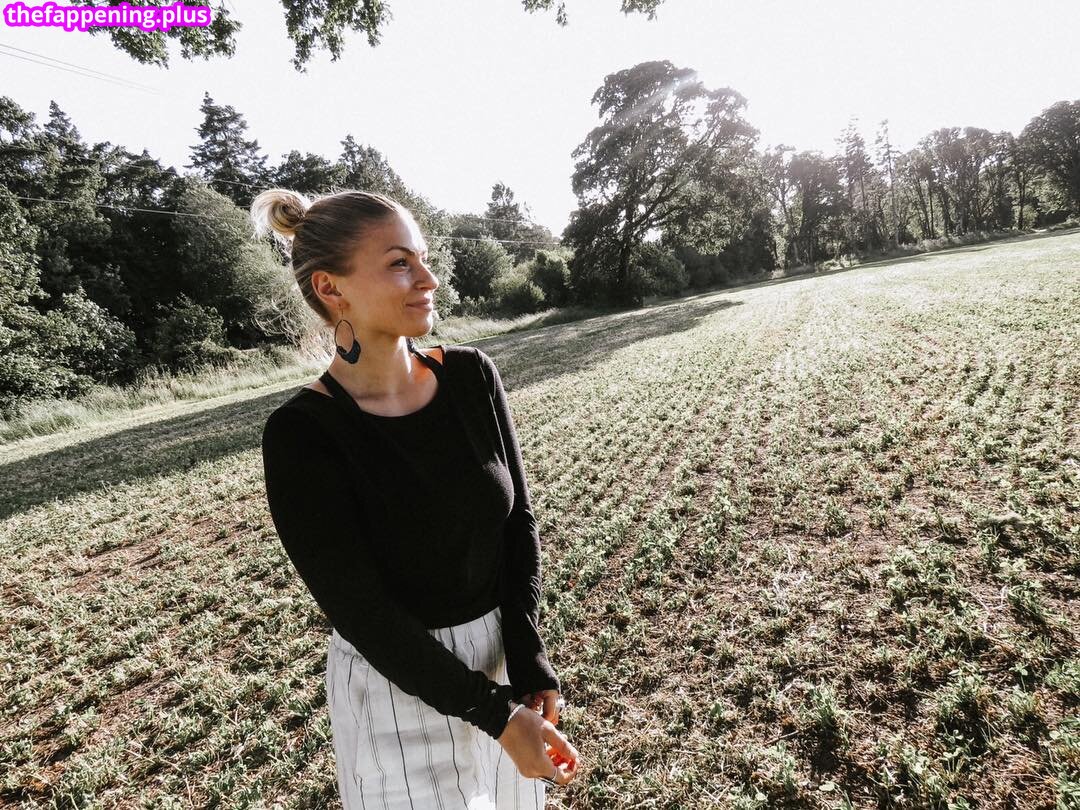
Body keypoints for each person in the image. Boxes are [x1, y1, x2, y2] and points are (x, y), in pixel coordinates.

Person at [252, 187, 580, 809]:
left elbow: (518, 526)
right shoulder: (302, 434)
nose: (428, 279)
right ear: (330, 288)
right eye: (400, 263)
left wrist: (527, 660)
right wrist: (496, 715)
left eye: (423, 259)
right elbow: (364, 614)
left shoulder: (472, 377)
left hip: (500, 667)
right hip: (395, 687)